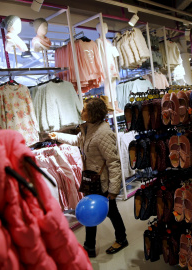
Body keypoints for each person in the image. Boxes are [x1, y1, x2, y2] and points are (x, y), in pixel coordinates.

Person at [48, 97, 128, 258]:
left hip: (102, 182)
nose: (81, 111)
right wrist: (57, 135)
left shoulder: (104, 133)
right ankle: (89, 247)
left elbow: (113, 163)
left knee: (112, 211)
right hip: (91, 180)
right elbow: (77, 140)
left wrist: (113, 189)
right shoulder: (88, 128)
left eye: (84, 109)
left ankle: (121, 239)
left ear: (93, 113)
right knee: (90, 212)